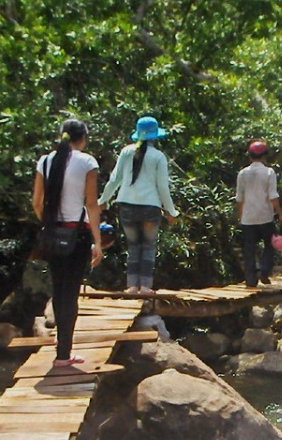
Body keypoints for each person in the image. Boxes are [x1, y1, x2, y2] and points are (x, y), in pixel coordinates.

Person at [33, 118, 103, 367]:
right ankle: (64, 353)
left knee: (58, 288)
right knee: (70, 293)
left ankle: (61, 350)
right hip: (78, 235)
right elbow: (92, 204)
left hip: (53, 234)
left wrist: (50, 225)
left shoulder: (45, 161)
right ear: (82, 138)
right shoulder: (87, 162)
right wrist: (98, 241)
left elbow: (37, 203)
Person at [98, 115, 179, 294]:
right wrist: (171, 212)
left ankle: (132, 286)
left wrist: (102, 201)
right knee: (148, 245)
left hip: (127, 205)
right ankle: (145, 286)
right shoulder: (158, 157)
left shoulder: (126, 152)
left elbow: (114, 180)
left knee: (133, 246)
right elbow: (162, 187)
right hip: (150, 208)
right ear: (155, 136)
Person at [235, 139, 282, 287]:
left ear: (249, 156)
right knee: (269, 245)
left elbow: (240, 198)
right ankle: (264, 272)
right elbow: (273, 197)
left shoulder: (242, 174)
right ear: (265, 156)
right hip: (265, 216)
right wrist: (281, 214)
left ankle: (251, 279)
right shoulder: (269, 172)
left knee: (249, 249)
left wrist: (241, 216)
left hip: (248, 218)